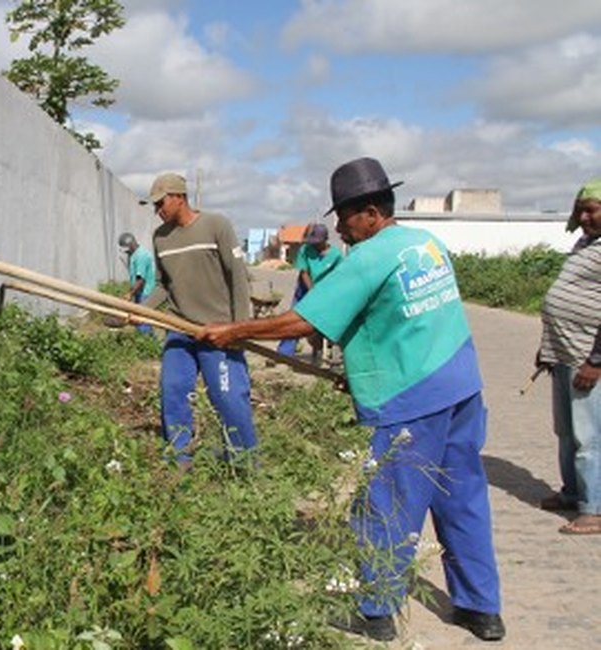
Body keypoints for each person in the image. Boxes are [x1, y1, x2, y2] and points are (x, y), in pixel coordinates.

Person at [197, 157, 504, 643]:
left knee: (387, 503)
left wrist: (234, 332)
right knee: (462, 498)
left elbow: (305, 322)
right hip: (461, 387)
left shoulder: (370, 256)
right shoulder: (425, 243)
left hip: (413, 399)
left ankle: (376, 611)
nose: (340, 228)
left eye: (345, 215)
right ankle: (481, 609)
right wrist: (360, 372)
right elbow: (403, 319)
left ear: (371, 212)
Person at [138, 172, 256, 465]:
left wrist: (239, 328)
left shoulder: (216, 225)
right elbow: (164, 285)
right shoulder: (160, 237)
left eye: (161, 203)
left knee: (228, 398)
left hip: (218, 331)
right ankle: (178, 459)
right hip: (180, 329)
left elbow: (237, 278)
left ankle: (245, 462)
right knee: (173, 390)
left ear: (179, 197)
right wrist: (142, 311)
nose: (158, 210)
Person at [535, 178, 601, 535]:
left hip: (587, 354)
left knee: (589, 434)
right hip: (563, 349)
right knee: (566, 430)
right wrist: (545, 349)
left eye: (593, 209)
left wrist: (596, 361)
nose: (586, 216)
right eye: (582, 209)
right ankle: (573, 493)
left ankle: (595, 508)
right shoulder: (586, 243)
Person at [276, 223, 343, 361]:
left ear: (325, 240)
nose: (314, 245)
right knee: (294, 320)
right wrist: (312, 291)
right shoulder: (305, 250)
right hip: (305, 289)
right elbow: (304, 272)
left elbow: (339, 276)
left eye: (317, 242)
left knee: (330, 322)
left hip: (326, 292)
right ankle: (284, 353)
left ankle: (331, 353)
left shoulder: (336, 255)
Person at [118, 232, 157, 335]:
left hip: (145, 292)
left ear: (131, 245)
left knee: (142, 319)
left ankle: (146, 343)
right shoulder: (135, 254)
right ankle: (148, 342)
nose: (126, 253)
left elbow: (141, 280)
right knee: (141, 318)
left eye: (127, 250)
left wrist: (130, 294)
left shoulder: (141, 256)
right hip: (140, 292)